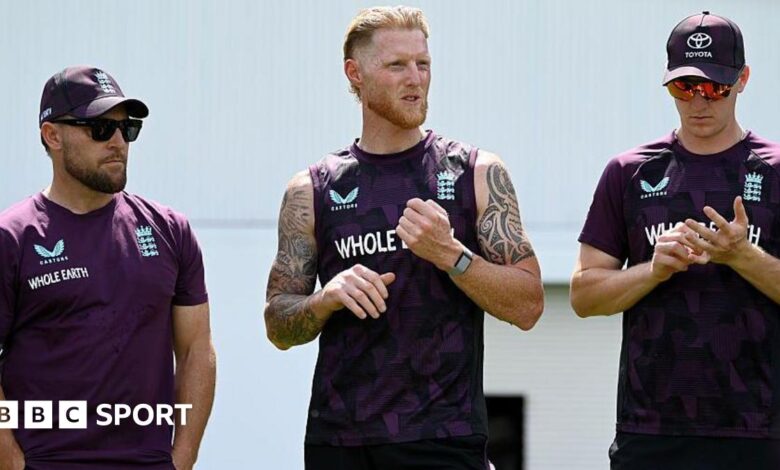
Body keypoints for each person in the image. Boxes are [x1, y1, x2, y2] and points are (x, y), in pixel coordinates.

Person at [264, 5, 543, 470]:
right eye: (397, 65)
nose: (415, 78)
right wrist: (325, 299)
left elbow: (530, 304)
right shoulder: (312, 190)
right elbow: (277, 323)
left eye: (423, 63)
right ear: (355, 73)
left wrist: (452, 255)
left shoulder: (475, 172)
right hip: (340, 441)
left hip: (444, 439)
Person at [571, 11, 780, 470]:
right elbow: (584, 296)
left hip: (761, 431)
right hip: (650, 433)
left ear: (742, 80)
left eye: (714, 87)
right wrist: (653, 270)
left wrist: (743, 256)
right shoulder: (629, 172)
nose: (698, 101)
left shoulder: (775, 170)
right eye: (684, 87)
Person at [0, 66, 216, 470]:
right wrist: (11, 462)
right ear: (53, 135)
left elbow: (195, 351)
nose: (118, 141)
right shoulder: (12, 237)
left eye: (126, 129)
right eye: (100, 128)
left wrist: (181, 459)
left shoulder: (171, 231)